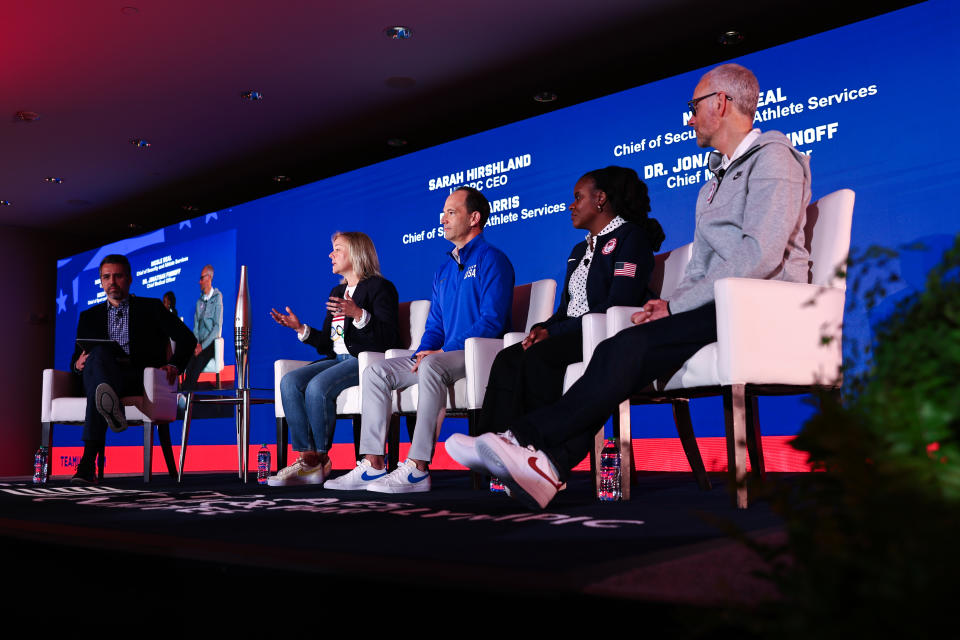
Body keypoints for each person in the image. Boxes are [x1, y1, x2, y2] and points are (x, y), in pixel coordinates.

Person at [448, 63, 812, 509]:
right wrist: (671, 304)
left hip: (759, 304)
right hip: (716, 305)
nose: (690, 117)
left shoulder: (775, 158)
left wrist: (680, 308)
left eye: (694, 106)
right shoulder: (711, 184)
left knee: (620, 349)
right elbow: (701, 268)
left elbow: (759, 255)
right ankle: (549, 466)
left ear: (722, 103)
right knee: (619, 349)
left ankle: (523, 441)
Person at [452, 166, 663, 458]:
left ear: (600, 199)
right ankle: (489, 444)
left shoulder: (630, 238)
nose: (571, 205)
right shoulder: (579, 249)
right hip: (572, 333)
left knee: (540, 358)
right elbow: (566, 309)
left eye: (578, 197)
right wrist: (542, 327)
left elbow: (618, 302)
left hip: (603, 336)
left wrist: (555, 332)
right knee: (508, 358)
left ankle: (529, 448)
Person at [324, 186, 515, 493]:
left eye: (451, 213)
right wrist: (424, 350)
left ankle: (417, 468)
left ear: (474, 218)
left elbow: (491, 322)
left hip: (480, 353)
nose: (443, 219)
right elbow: (436, 324)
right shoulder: (443, 270)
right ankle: (372, 465)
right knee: (376, 372)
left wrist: (439, 351)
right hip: (444, 354)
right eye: (443, 213)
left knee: (432, 365)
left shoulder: (494, 260)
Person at [267, 232, 401, 486]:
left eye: (338, 249)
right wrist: (301, 329)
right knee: (289, 382)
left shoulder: (380, 288)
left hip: (363, 360)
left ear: (357, 253)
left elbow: (389, 338)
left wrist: (359, 314)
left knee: (318, 387)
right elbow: (329, 344)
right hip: (337, 359)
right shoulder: (337, 290)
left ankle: (319, 459)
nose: (331, 254)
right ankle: (306, 456)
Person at [70, 254, 196, 484]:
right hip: (102, 375)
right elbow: (76, 360)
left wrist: (173, 365)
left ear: (129, 279)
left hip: (138, 379)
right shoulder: (89, 317)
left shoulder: (152, 308)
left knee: (98, 386)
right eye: (106, 277)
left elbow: (187, 339)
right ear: (101, 281)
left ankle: (87, 463)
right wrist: (77, 365)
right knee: (97, 359)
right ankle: (107, 401)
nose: (112, 282)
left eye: (118, 276)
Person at [181, 265, 223, 389]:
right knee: (189, 359)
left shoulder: (217, 298)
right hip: (199, 343)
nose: (199, 282)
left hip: (210, 344)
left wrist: (203, 346)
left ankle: (185, 393)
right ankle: (184, 393)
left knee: (199, 360)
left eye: (201, 278)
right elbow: (196, 327)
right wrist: (196, 344)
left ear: (209, 278)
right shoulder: (199, 302)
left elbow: (217, 326)